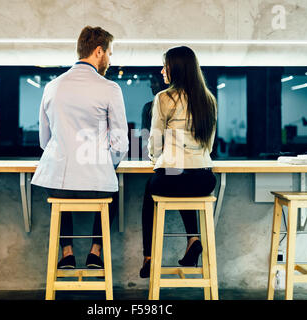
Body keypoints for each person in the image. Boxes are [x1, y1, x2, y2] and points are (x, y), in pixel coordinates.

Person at [31, 26, 129, 269]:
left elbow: (44, 142)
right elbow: (121, 144)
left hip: (58, 184)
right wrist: (107, 164)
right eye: (110, 53)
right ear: (99, 51)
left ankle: (67, 253)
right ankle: (95, 252)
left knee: (59, 190)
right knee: (113, 191)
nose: (110, 59)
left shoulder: (52, 87)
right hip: (97, 186)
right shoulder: (109, 88)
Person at [139, 46, 218, 278]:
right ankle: (193, 238)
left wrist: (156, 159)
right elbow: (209, 146)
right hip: (205, 180)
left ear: (176, 69)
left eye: (165, 66)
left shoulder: (164, 98)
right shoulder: (208, 99)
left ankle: (149, 257)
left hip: (173, 178)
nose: (162, 70)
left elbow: (155, 140)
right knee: (181, 178)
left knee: (157, 185)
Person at [140, 74, 167, 160]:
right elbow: (145, 134)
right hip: (154, 156)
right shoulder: (148, 107)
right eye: (151, 83)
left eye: (155, 82)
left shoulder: (175, 106)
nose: (151, 86)